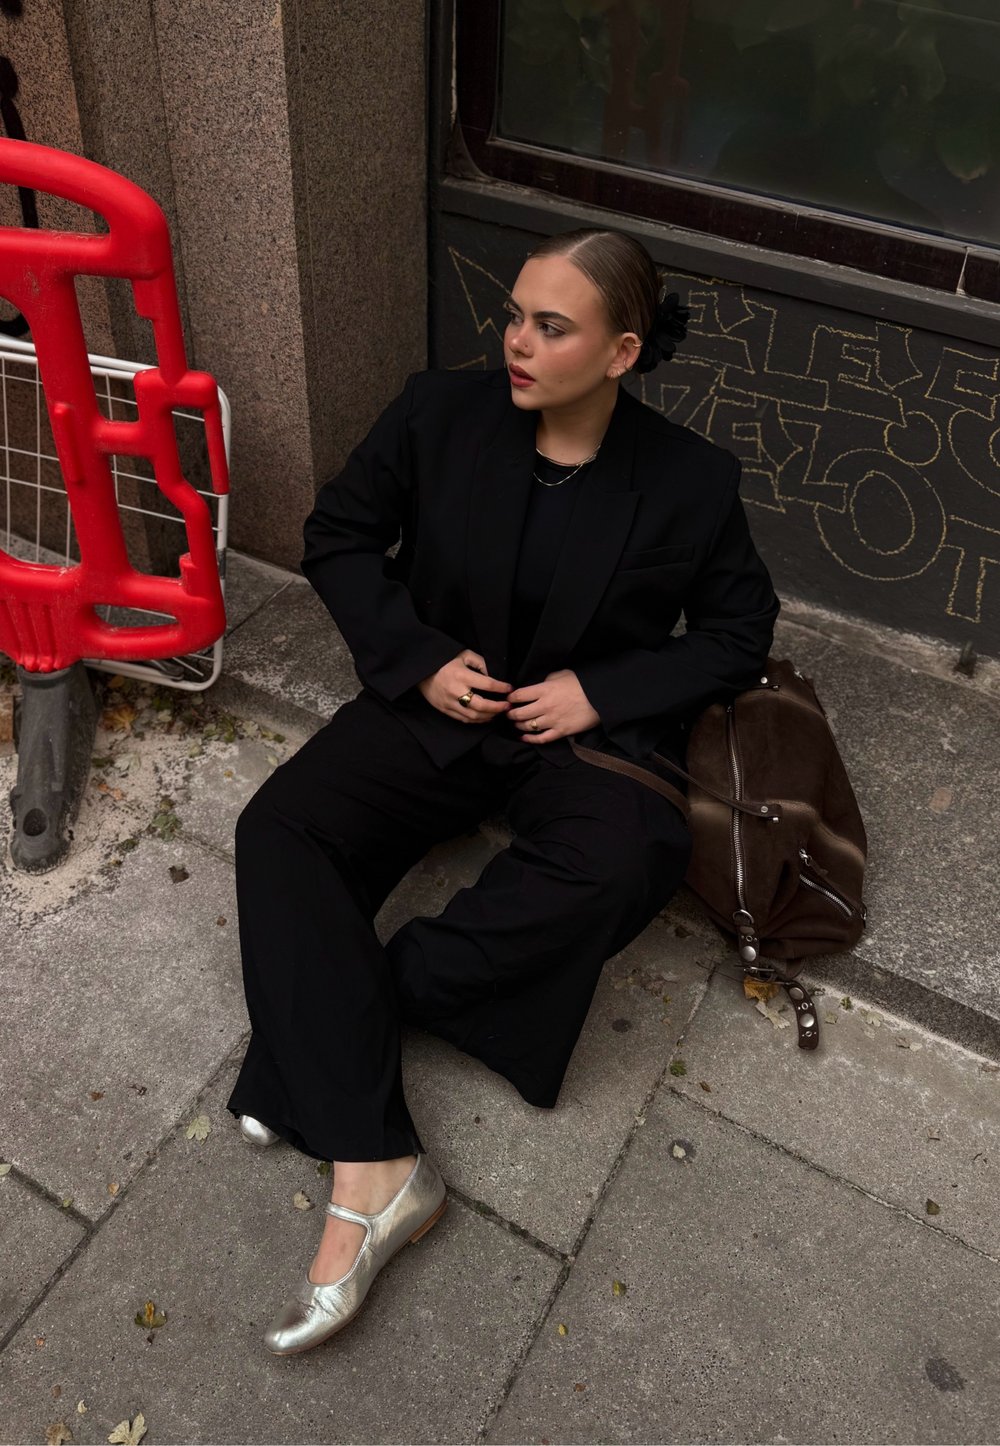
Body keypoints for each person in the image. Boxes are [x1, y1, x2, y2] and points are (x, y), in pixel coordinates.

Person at [227, 227, 779, 1354]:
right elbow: (335, 536)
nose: (516, 342)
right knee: (279, 830)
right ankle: (379, 1165)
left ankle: (353, 1004)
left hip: (567, 736)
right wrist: (415, 653)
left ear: (621, 351)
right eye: (515, 315)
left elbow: (736, 632)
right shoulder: (439, 412)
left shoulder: (687, 481)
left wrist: (600, 687)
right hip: (436, 701)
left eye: (551, 325)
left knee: (630, 856)